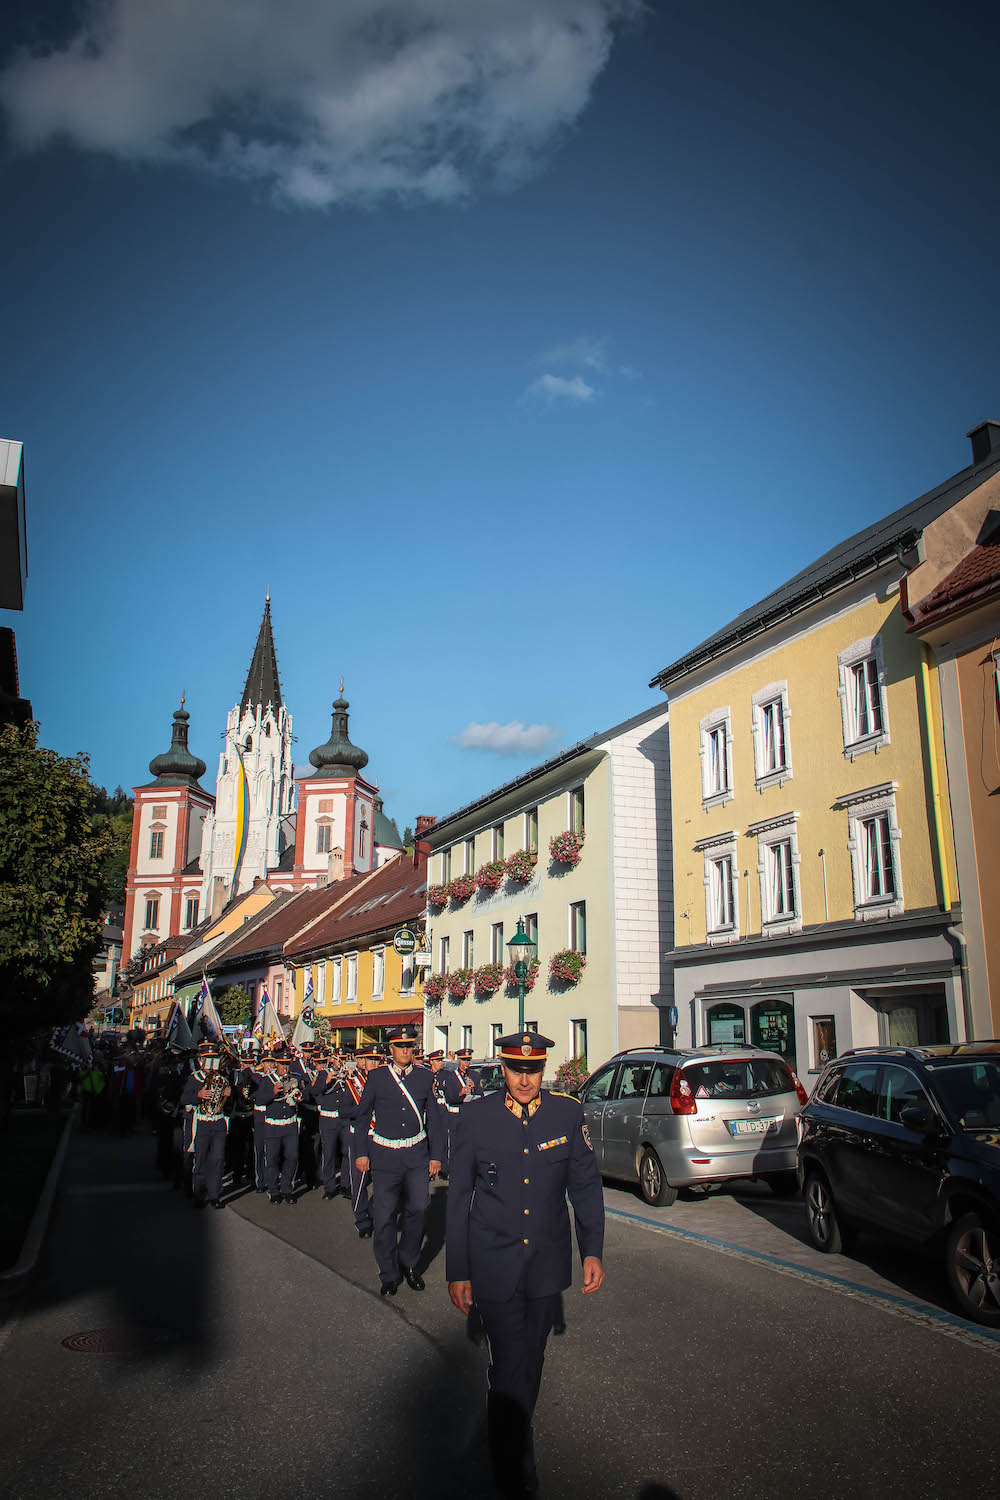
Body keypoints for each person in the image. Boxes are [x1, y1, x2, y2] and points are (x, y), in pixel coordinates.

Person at [446, 1030, 605, 1500]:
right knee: (510, 1367)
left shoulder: (566, 1112)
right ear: (502, 1069)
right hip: (492, 1263)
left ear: (543, 1070)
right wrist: (458, 1269)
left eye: (532, 1070)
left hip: (544, 1265)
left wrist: (592, 1249)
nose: (524, 1079)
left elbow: (585, 1186)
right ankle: (513, 1468)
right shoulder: (475, 1118)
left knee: (530, 1366)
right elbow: (458, 1198)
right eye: (516, 1069)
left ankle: (512, 1432)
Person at [353, 1026, 445, 1295]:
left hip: (416, 1154)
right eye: (399, 1046)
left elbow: (436, 1121)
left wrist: (436, 1155)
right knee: (384, 1217)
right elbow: (362, 1117)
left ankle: (410, 1263)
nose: (405, 1051)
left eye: (409, 1046)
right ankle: (389, 1273)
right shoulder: (378, 1077)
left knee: (418, 1208)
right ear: (390, 1049)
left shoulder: (425, 1078)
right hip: (385, 1156)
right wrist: (361, 1152)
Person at [181, 1042, 231, 1209]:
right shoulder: (194, 1078)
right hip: (202, 1122)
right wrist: (198, 1094)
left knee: (217, 1159)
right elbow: (184, 1099)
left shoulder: (222, 1077)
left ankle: (214, 1194)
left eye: (213, 1058)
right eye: (207, 1058)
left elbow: (230, 1104)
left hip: (218, 1122)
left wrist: (228, 1094)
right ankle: (199, 1193)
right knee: (200, 1159)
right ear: (201, 1060)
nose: (210, 1062)